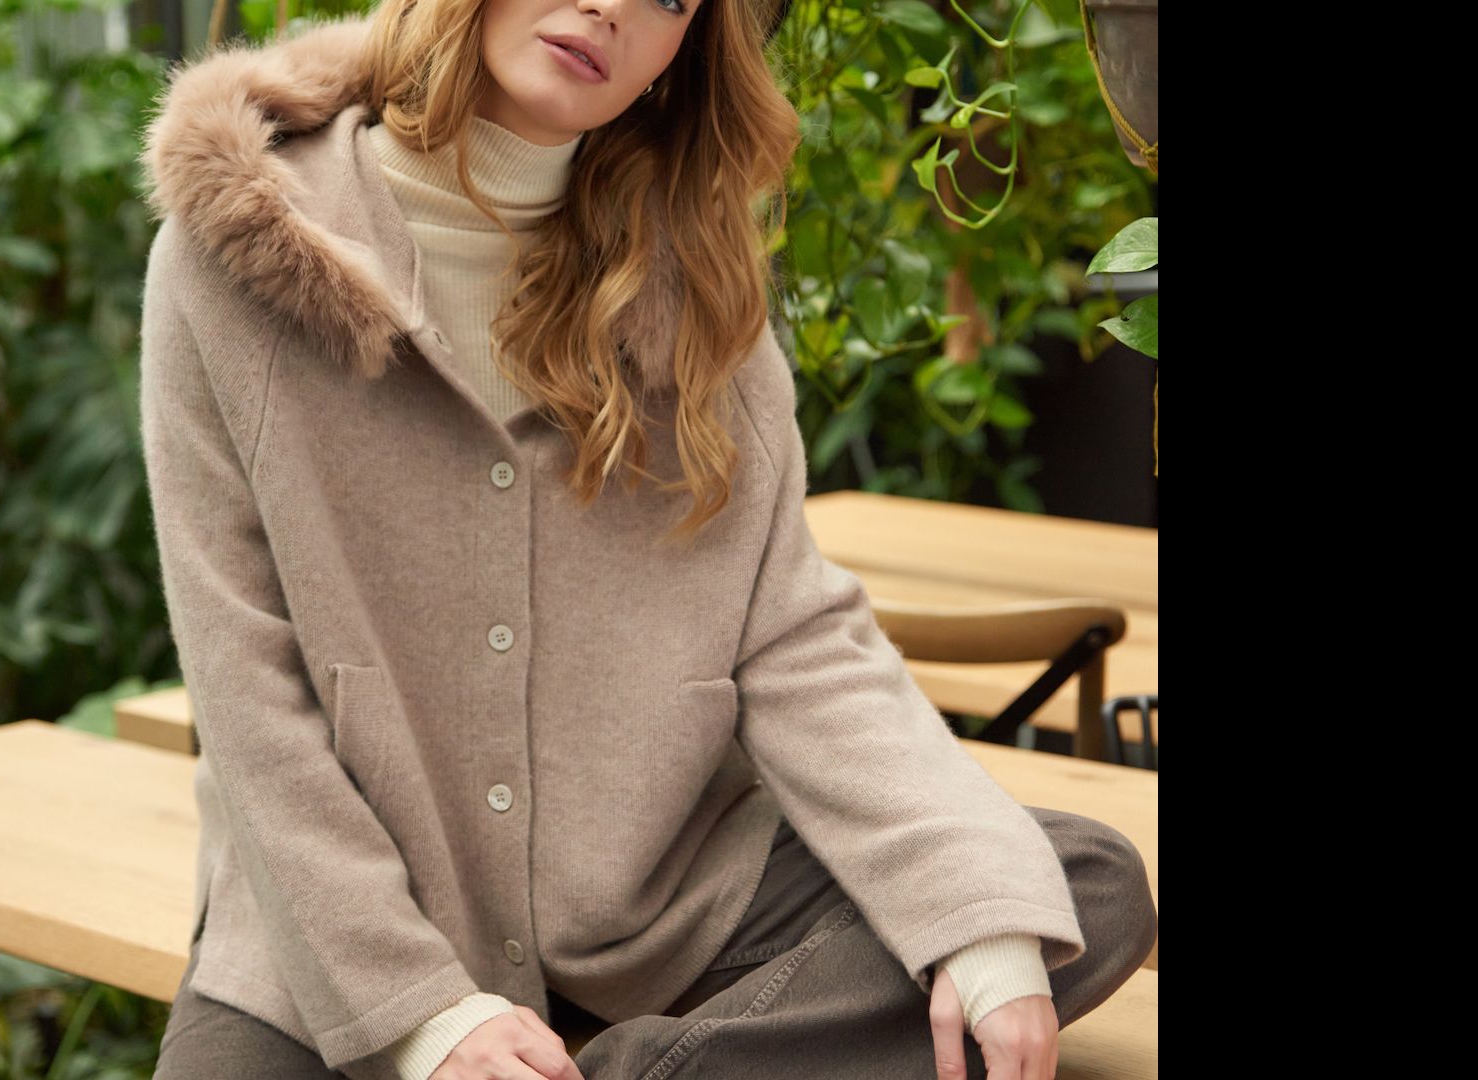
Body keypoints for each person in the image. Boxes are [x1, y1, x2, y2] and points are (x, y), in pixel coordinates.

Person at [136, 2, 1157, 1078]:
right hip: (336, 944)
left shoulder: (692, 279)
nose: (611, 6)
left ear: (687, 46)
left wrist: (975, 915)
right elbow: (248, 695)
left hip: (659, 914)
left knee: (1052, 891)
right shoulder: (234, 254)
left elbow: (795, 639)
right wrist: (423, 1021)